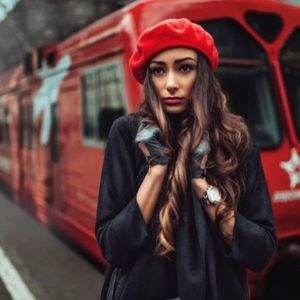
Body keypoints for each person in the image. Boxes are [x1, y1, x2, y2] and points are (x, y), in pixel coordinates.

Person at [95, 18, 277, 300]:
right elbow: (114, 247)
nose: (170, 84)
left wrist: (202, 186)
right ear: (149, 79)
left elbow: (260, 250)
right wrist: (156, 171)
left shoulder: (235, 139)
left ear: (201, 74)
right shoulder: (128, 134)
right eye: (158, 71)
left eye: (184, 68)